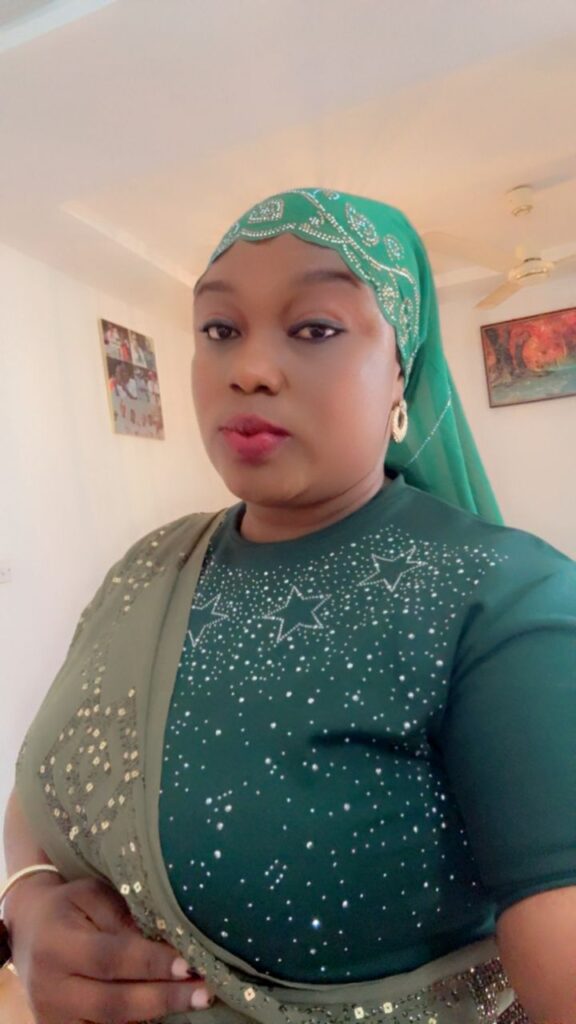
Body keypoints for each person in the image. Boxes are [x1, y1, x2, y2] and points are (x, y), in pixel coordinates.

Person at [3, 188, 576, 1024]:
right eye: (219, 329)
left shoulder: (504, 602)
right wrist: (24, 903)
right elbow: (43, 781)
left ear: (401, 370)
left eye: (314, 328)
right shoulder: (148, 569)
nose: (249, 369)